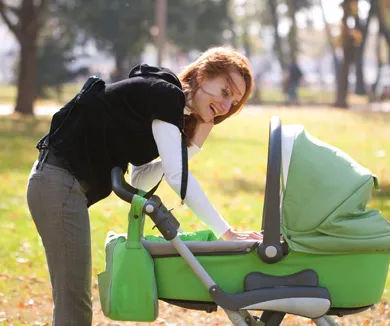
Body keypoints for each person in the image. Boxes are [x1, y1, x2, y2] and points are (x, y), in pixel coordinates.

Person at [26, 46, 263, 326]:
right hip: (58, 183)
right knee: (74, 304)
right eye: (224, 92)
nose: (225, 107)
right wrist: (227, 234)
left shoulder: (165, 105)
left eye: (232, 102)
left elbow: (140, 180)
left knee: (73, 301)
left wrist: (193, 146)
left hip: (61, 186)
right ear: (202, 75)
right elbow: (178, 178)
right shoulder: (166, 95)